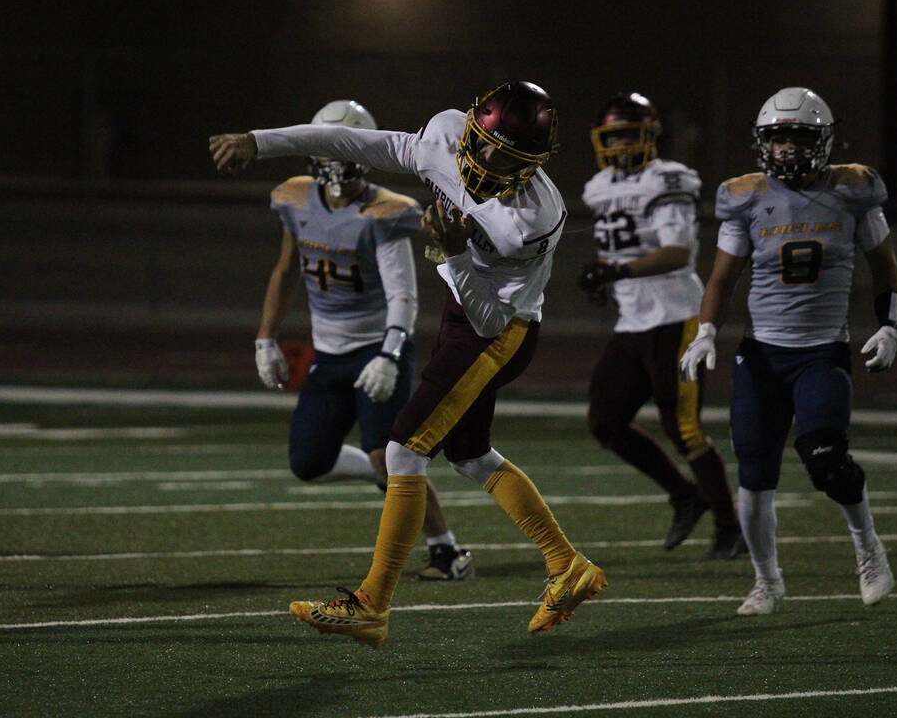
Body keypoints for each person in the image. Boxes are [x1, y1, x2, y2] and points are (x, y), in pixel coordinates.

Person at [211, 81, 607, 648]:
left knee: (402, 447)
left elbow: (492, 319)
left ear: (535, 164)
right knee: (469, 454)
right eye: (489, 145)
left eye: (512, 158)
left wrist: (457, 255)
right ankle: (567, 565)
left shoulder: (530, 220)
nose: (492, 161)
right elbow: (355, 142)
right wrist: (260, 141)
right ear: (471, 128)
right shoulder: (446, 134)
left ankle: (371, 603)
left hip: (499, 329)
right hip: (465, 312)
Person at [678, 87, 897, 615]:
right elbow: (721, 280)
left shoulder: (854, 191)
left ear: (821, 141)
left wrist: (890, 326)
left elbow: (885, 267)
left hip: (821, 352)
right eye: (776, 138)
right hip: (761, 355)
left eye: (796, 137)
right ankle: (767, 582)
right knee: (754, 477)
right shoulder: (745, 195)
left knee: (827, 460)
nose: (784, 149)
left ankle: (868, 547)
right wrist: (706, 331)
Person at [254, 99, 471, 582]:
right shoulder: (294, 197)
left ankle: (447, 551)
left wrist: (391, 353)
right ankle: (384, 475)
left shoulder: (384, 212)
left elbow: (402, 294)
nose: (331, 160)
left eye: (338, 147)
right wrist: (265, 338)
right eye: (323, 148)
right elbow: (287, 268)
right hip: (328, 354)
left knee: (391, 454)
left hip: (378, 349)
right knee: (308, 462)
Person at [577, 92, 744, 560]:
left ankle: (731, 527)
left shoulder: (668, 179)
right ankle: (684, 495)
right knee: (606, 421)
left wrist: (616, 272)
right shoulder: (599, 187)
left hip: (677, 317)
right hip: (633, 321)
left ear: (650, 136)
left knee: (684, 427)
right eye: (616, 136)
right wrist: (606, 273)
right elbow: (622, 252)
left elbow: (677, 253)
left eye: (632, 134)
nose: (623, 143)